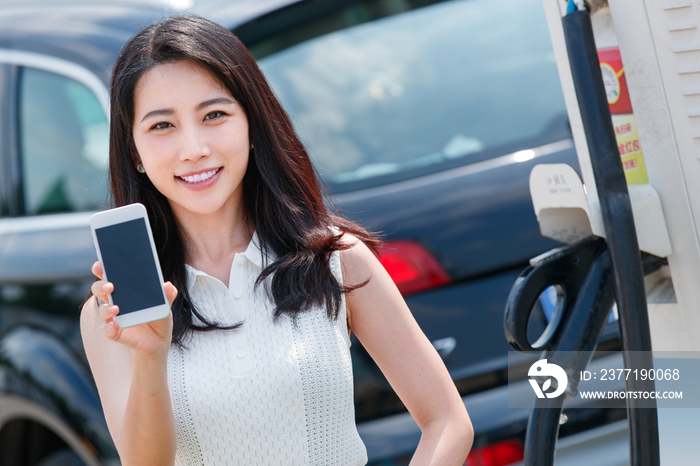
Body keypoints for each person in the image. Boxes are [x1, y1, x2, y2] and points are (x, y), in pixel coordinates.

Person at [81, 14, 473, 466]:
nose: (194, 148)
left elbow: (446, 420)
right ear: (134, 153)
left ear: (251, 126)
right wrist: (151, 356)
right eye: (162, 126)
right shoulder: (112, 314)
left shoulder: (334, 258)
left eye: (214, 115)